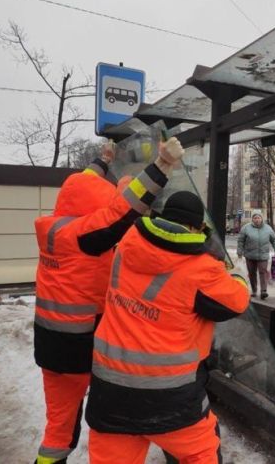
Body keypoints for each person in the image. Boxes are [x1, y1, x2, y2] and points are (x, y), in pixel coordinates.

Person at [32, 137, 184, 464]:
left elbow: (86, 185)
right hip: (83, 348)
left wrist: (103, 161)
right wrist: (162, 165)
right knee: (119, 419)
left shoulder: (54, 231)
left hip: (49, 347)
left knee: (58, 429)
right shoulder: (84, 234)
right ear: (93, 208)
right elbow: (123, 209)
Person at [86, 191, 250, 464]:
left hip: (110, 390)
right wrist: (235, 274)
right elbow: (236, 302)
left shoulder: (128, 243)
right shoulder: (200, 268)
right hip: (171, 398)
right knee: (201, 455)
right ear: (197, 228)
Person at [236, 210, 275, 299]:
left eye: (259, 217)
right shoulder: (246, 228)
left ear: (261, 218)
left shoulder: (268, 228)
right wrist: (239, 253)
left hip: (263, 256)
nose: (257, 220)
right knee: (252, 274)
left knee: (263, 272)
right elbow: (240, 241)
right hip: (250, 255)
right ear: (252, 219)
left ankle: (263, 291)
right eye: (255, 218)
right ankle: (254, 290)